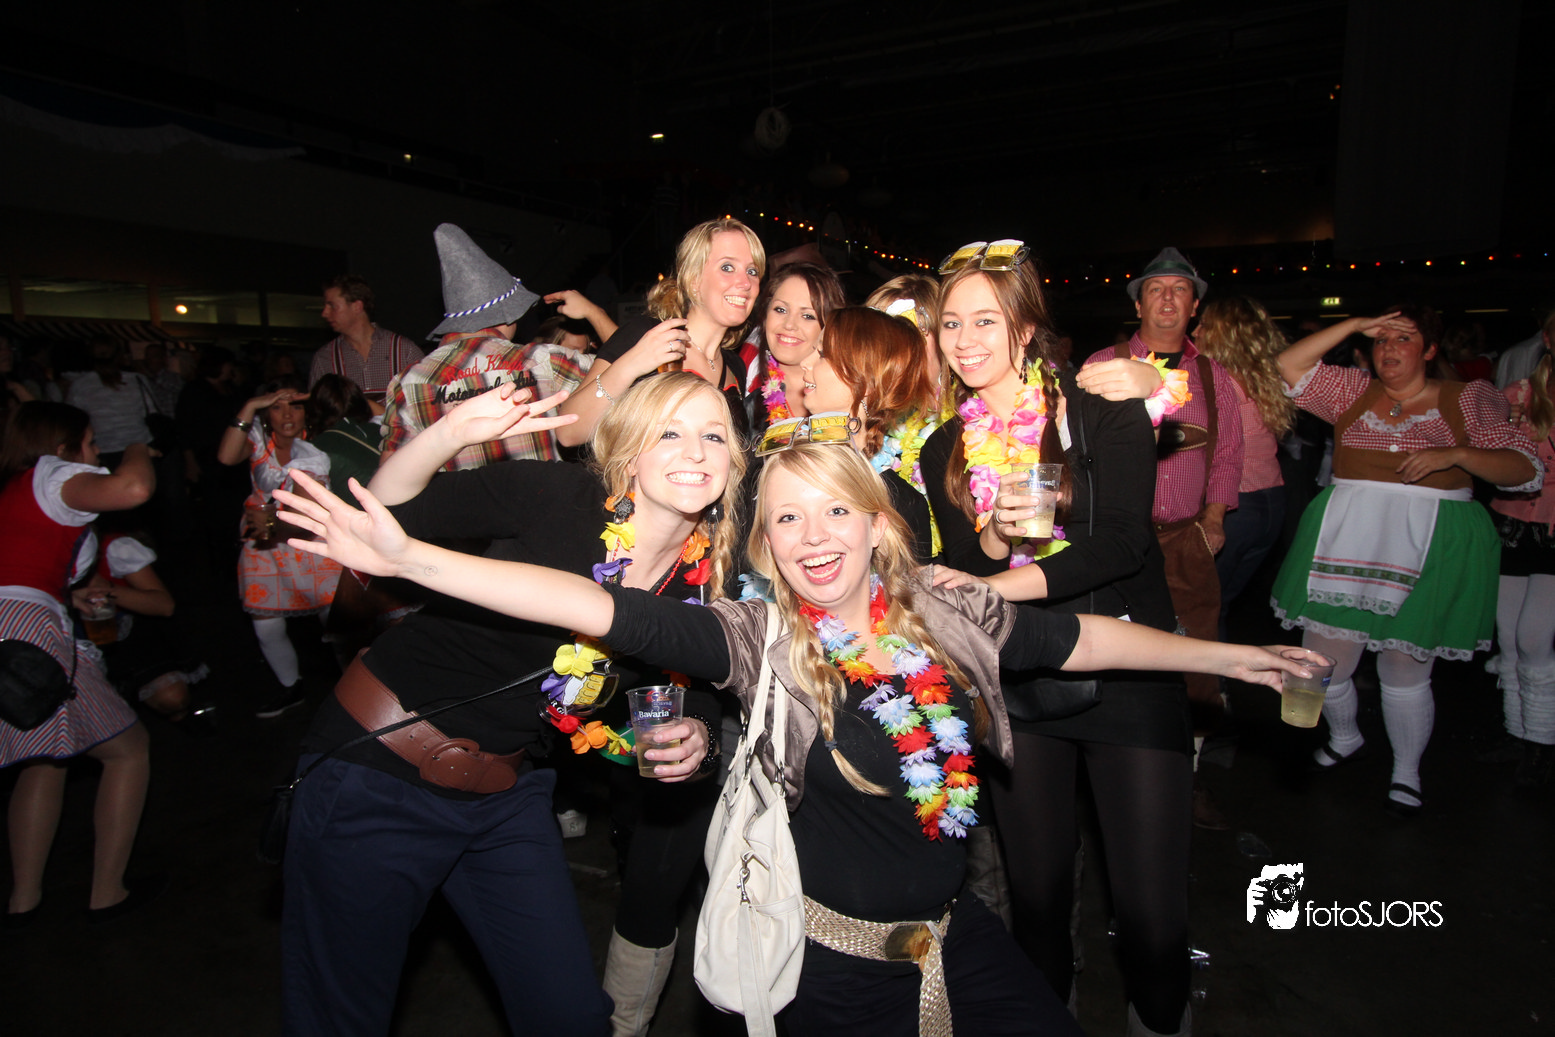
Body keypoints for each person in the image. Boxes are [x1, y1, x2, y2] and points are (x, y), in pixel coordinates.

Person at [275, 442, 1310, 1037]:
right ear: (763, 545)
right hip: (821, 970)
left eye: (833, 512)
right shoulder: (752, 636)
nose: (813, 537)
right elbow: (591, 608)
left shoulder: (945, 613)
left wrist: (1229, 658)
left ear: (876, 523)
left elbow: (1080, 638)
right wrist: (414, 559)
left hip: (955, 943)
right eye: (784, 520)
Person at [270, 373, 737, 1037]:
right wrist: (450, 434)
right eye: (669, 431)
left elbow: (698, 687)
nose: (694, 451)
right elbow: (390, 516)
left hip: (508, 791)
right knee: (340, 1019)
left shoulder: (705, 576)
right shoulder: (557, 494)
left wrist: (697, 734)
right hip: (377, 770)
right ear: (629, 451)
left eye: (713, 436)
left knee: (570, 1018)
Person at [917, 241, 1194, 1035]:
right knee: (1035, 905)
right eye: (950, 324)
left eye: (985, 320)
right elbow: (964, 561)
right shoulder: (944, 446)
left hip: (1126, 674)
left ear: (1026, 324)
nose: (964, 339)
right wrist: (993, 544)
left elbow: (1122, 543)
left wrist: (995, 586)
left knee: (1150, 919)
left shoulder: (1102, 410)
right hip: (1020, 682)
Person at [1271, 305, 1542, 815]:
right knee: (1315, 667)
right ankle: (1346, 737)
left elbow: (1523, 469)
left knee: (1403, 670)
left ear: (1430, 349)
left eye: (1404, 339)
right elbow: (1287, 364)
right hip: (1348, 537)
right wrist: (1354, 324)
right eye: (1382, 340)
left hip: (1430, 541)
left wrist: (1456, 455)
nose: (1389, 349)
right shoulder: (1352, 390)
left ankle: (1406, 772)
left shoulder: (1468, 397)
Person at [1083, 245, 1245, 830]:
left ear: (1194, 306)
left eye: (1180, 289)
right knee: (1112, 653)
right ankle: (1115, 773)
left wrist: (1215, 519)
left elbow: (1228, 454)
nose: (1168, 298)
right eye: (1156, 289)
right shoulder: (1103, 363)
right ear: (1139, 303)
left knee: (1196, 659)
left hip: (1183, 539)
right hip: (1114, 542)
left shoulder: (1213, 376)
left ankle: (1187, 779)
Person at [1, 403, 161, 924]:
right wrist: (136, 447)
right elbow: (133, 488)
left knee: (45, 759)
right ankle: (107, 892)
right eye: (90, 443)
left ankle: (24, 899)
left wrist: (69, 598)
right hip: (25, 628)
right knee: (128, 750)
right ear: (63, 448)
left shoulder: (14, 490)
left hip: (13, 622)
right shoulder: (53, 475)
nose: (95, 455)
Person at [381, 224, 590, 469]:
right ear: (508, 315)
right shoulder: (546, 361)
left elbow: (391, 471)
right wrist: (594, 313)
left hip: (454, 496)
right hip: (544, 493)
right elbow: (627, 369)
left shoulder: (407, 383)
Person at [557, 217, 765, 446]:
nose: (745, 282)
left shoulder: (735, 366)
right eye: (727, 267)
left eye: (752, 271)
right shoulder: (646, 335)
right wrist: (630, 365)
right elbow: (568, 432)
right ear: (694, 280)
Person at [217, 377, 342, 718]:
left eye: (295, 406)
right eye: (276, 407)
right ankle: (291, 687)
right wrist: (249, 406)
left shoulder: (321, 443)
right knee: (266, 621)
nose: (287, 415)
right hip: (265, 542)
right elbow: (226, 457)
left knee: (336, 621)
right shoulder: (258, 443)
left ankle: (356, 684)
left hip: (311, 538)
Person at [798, 305, 937, 559]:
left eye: (822, 354)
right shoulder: (783, 466)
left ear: (867, 382)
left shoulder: (903, 506)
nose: (804, 363)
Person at [1194, 295, 1295, 636]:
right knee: (1219, 604)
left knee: (1202, 607)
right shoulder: (1265, 377)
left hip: (1234, 506)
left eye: (1204, 325)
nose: (1195, 331)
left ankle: (1207, 673)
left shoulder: (1217, 382)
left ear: (1223, 334)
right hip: (1271, 505)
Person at [1487, 309, 1555, 787]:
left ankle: (1542, 744)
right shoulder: (1519, 394)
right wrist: (1503, 430)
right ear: (1547, 339)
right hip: (1513, 523)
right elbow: (1489, 457)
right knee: (1509, 638)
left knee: (1533, 639)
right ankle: (1518, 733)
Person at [750, 261, 846, 431]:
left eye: (808, 316)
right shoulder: (746, 393)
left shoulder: (847, 396)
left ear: (829, 327)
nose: (789, 325)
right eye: (780, 310)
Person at [308, 274, 424, 413]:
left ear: (357, 306)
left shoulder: (404, 350)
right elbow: (317, 413)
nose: (325, 313)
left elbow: (427, 404)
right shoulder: (324, 358)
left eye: (332, 306)